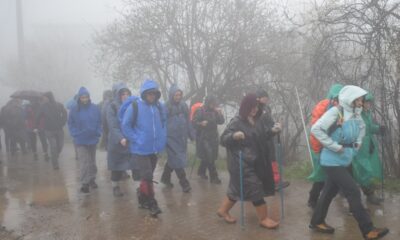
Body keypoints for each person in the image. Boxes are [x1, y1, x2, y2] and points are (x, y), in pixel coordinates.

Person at [309, 85, 389, 240]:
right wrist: (334, 146)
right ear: (350, 99)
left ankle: (317, 221)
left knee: (329, 191)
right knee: (353, 190)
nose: (361, 102)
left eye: (361, 99)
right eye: (358, 99)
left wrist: (357, 143)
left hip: (345, 159)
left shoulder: (356, 114)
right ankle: (368, 230)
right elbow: (316, 129)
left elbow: (362, 128)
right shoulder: (335, 112)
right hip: (331, 160)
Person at [218, 93, 279, 229]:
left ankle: (223, 210)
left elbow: (262, 136)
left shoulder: (257, 121)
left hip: (256, 161)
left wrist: (273, 131)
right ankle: (264, 219)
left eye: (256, 107)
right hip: (241, 162)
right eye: (251, 107)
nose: (255, 109)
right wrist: (234, 136)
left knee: (237, 189)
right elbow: (223, 139)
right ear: (245, 107)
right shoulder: (237, 121)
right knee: (255, 188)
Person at [121, 79, 167, 217]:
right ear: (144, 94)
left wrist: (162, 137)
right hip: (140, 149)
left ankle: (142, 196)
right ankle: (152, 203)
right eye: (149, 94)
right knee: (147, 176)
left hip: (154, 148)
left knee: (148, 175)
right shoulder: (135, 106)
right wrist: (137, 139)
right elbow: (125, 125)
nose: (152, 96)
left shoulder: (159, 106)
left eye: (154, 94)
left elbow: (163, 122)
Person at [307, 84, 343, 208]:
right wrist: (320, 148)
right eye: (337, 98)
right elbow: (316, 128)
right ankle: (313, 199)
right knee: (321, 175)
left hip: (333, 145)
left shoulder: (342, 108)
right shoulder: (323, 106)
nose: (339, 101)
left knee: (336, 173)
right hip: (320, 145)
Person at [106, 83, 139, 197]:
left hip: (131, 141)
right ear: (118, 95)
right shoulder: (112, 107)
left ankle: (140, 187)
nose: (125, 96)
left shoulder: (134, 105)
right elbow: (112, 125)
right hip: (117, 142)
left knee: (136, 165)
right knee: (117, 166)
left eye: (127, 93)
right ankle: (115, 186)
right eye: (123, 94)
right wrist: (120, 138)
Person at [352, 93, 385, 205]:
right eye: (367, 102)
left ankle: (369, 193)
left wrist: (379, 129)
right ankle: (369, 195)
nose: (368, 104)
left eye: (370, 102)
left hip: (369, 146)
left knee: (366, 170)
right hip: (360, 146)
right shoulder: (357, 114)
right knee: (364, 170)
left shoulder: (367, 113)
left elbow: (369, 128)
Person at [68, 87, 102, 193]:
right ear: (79, 98)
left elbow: (100, 122)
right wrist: (75, 134)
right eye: (82, 97)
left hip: (92, 139)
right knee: (84, 161)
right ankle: (85, 183)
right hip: (80, 140)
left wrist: (98, 133)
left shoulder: (95, 108)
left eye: (86, 97)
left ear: (89, 97)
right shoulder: (74, 110)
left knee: (92, 161)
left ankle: (92, 179)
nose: (85, 99)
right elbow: (70, 123)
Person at [160, 84, 193, 193]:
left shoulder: (184, 105)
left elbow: (188, 121)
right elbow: (162, 123)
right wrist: (162, 138)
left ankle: (165, 178)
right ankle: (184, 183)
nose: (178, 97)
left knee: (173, 159)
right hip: (170, 138)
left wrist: (191, 134)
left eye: (179, 94)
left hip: (181, 138)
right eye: (176, 95)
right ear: (171, 95)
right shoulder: (166, 106)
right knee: (177, 159)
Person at [255, 89, 288, 191]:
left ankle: (276, 181)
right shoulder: (255, 109)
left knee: (272, 158)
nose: (266, 100)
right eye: (264, 98)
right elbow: (257, 124)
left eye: (267, 98)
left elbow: (270, 121)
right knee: (261, 161)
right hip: (260, 138)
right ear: (258, 98)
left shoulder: (267, 108)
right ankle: (258, 182)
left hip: (270, 137)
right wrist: (269, 130)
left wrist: (276, 126)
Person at [193, 95, 225, 184]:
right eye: (212, 103)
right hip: (204, 138)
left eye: (214, 103)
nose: (213, 105)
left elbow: (221, 121)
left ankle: (201, 171)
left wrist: (220, 113)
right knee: (210, 157)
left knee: (209, 157)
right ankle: (214, 178)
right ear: (208, 102)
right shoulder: (200, 110)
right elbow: (193, 123)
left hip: (214, 137)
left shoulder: (215, 111)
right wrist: (200, 123)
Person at [36, 92, 67, 169]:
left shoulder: (59, 105)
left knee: (60, 146)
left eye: (45, 97)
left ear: (49, 97)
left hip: (59, 129)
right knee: (53, 146)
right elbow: (38, 116)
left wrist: (63, 122)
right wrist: (36, 126)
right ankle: (55, 165)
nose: (44, 99)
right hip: (48, 130)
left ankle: (55, 155)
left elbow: (65, 113)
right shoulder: (43, 106)